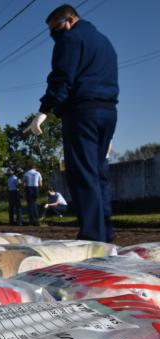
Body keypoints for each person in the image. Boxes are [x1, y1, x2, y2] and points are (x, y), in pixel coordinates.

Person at [24, 4, 118, 242]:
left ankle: (92, 237)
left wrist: (44, 110)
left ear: (68, 22)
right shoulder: (105, 42)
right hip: (108, 111)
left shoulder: (71, 39)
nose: (53, 36)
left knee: (83, 174)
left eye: (54, 30)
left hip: (82, 112)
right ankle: (105, 232)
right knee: (99, 175)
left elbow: (62, 78)